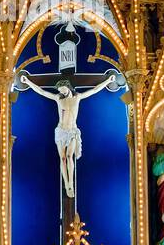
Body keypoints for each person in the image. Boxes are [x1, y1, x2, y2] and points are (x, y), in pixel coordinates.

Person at [19, 70, 116, 198]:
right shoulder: (59, 99)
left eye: (62, 89)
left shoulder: (77, 97)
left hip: (72, 131)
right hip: (61, 130)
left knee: (70, 156)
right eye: (60, 90)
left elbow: (94, 90)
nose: (61, 91)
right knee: (63, 158)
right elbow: (42, 92)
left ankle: (71, 182)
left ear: (67, 86)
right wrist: (28, 82)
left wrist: (108, 81)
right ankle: (67, 184)